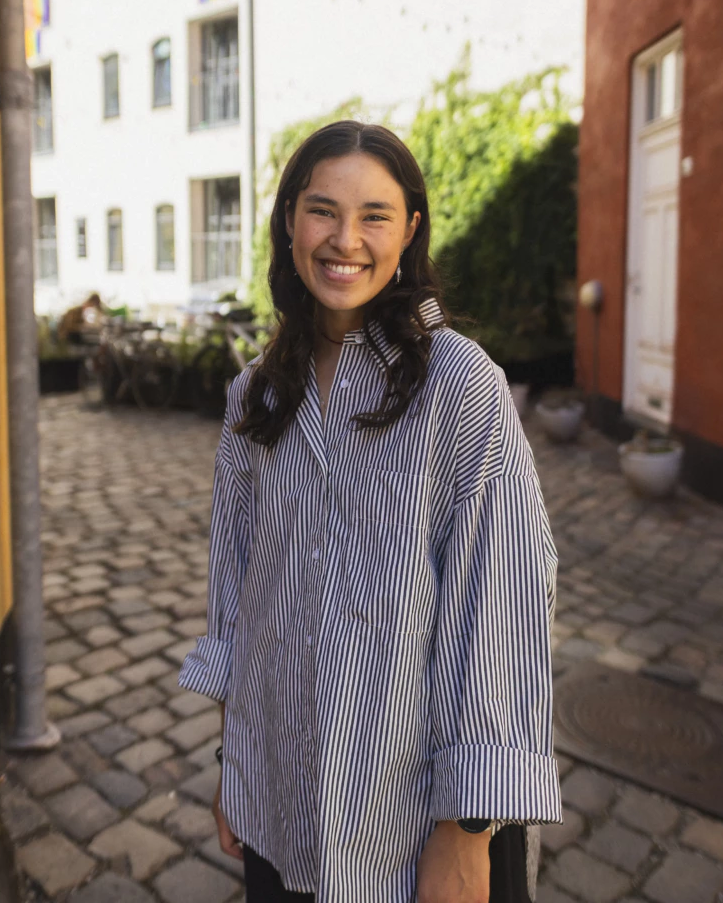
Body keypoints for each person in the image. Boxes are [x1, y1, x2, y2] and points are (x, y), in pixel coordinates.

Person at [178, 121, 562, 903]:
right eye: (322, 210)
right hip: (279, 801)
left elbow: (502, 606)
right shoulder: (256, 396)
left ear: (410, 231)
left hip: (412, 822)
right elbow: (238, 597)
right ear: (290, 220)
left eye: (374, 216)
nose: (345, 240)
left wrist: (467, 830)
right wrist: (234, 765)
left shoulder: (461, 386)